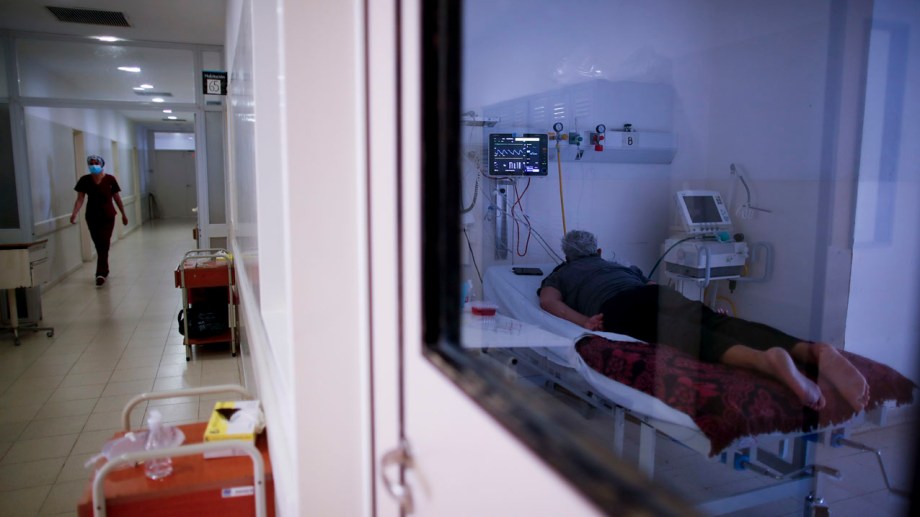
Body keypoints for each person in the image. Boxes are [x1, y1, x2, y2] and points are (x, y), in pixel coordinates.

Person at [538, 230, 870, 413]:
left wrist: (585, 320)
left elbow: (549, 302)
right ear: (599, 251)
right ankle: (808, 349)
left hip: (619, 308)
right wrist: (701, 306)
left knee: (687, 337)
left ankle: (763, 360)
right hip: (653, 293)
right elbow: (652, 286)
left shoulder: (561, 273)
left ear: (567, 256)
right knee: (716, 322)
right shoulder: (619, 266)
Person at [70, 155, 128, 287]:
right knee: (99, 244)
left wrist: (123, 214)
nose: (93, 165)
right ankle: (104, 270)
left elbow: (117, 198)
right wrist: (74, 213)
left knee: (104, 243)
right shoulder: (85, 180)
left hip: (108, 216)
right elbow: (80, 198)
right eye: (91, 163)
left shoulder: (110, 179)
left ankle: (100, 274)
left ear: (102, 164)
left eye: (96, 163)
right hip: (92, 217)